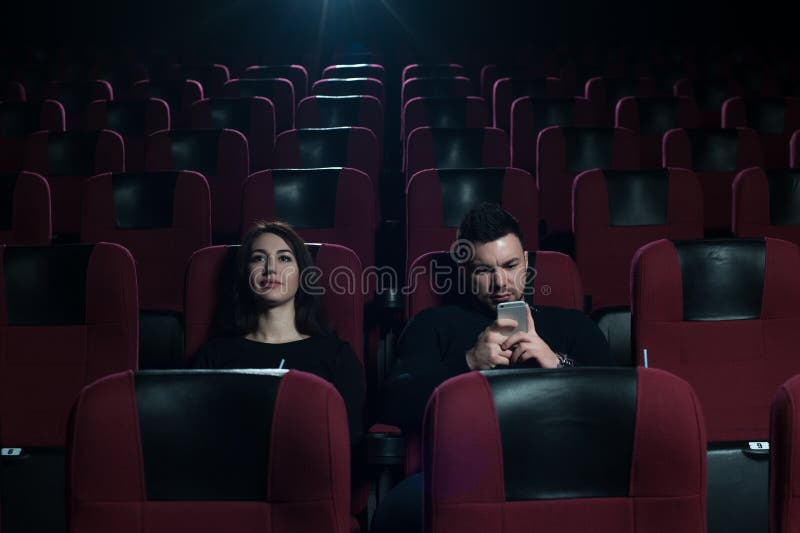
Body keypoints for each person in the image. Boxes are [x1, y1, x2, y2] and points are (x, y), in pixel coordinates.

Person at [371, 203, 612, 533]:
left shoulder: (572, 325)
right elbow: (395, 404)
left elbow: (615, 405)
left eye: (510, 265)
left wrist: (557, 364)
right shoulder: (432, 325)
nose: (500, 282)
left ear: (526, 263)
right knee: (396, 512)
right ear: (464, 272)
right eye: (483, 271)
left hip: (559, 466)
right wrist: (469, 362)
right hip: (464, 471)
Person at [192, 221, 365, 445]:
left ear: (302, 274)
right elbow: (196, 435)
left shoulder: (336, 356)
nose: (270, 268)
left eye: (284, 258)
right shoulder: (214, 355)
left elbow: (348, 442)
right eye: (258, 258)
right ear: (245, 275)